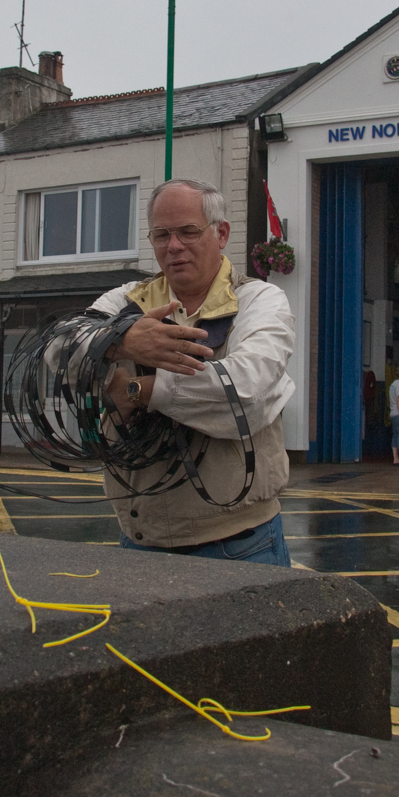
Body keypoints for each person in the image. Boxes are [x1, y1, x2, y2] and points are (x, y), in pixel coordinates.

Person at [66, 179, 296, 565]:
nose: (174, 246)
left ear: (221, 233)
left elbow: (245, 392)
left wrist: (137, 389)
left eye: (188, 231)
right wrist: (124, 344)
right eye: (161, 235)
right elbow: (62, 353)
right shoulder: (124, 300)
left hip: (239, 546)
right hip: (140, 541)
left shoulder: (260, 300)